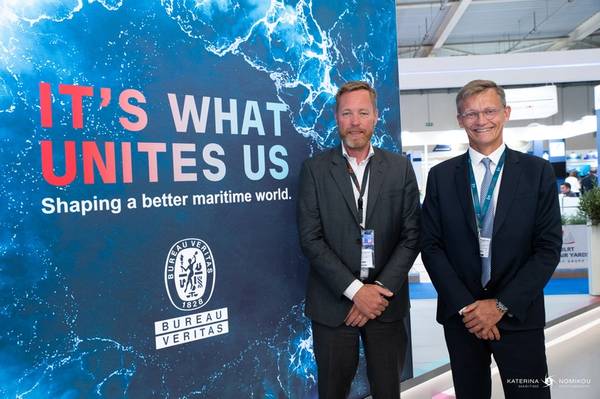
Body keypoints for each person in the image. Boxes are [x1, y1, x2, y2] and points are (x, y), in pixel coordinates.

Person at [421, 79, 562, 399]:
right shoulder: (441, 177)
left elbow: (548, 248)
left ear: (506, 113)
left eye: (489, 111)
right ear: (460, 120)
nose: (480, 120)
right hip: (463, 319)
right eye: (470, 114)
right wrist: (469, 307)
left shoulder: (536, 172)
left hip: (518, 314)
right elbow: (430, 246)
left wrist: (500, 305)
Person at [297, 81, 420, 398]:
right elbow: (311, 239)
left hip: (385, 305)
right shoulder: (314, 170)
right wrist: (355, 292)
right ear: (336, 118)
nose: (355, 121)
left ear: (376, 116)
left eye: (363, 112)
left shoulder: (400, 168)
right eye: (347, 113)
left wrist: (375, 293)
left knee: (388, 390)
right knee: (333, 391)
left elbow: (411, 235)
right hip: (333, 304)